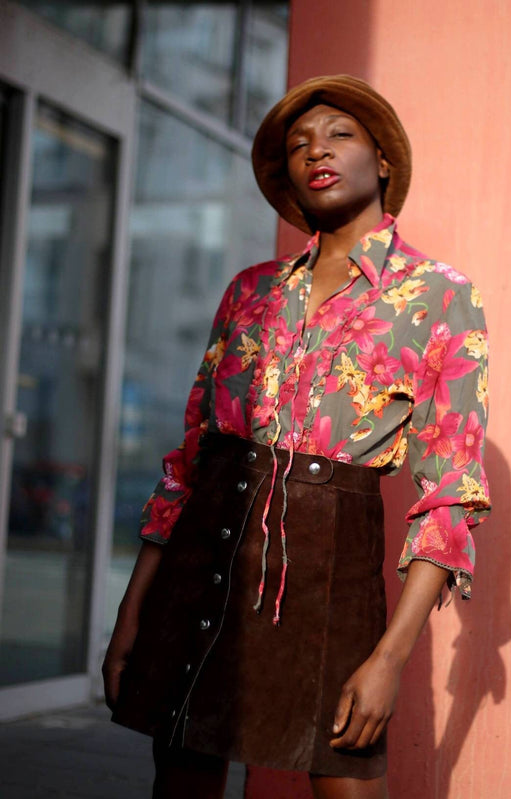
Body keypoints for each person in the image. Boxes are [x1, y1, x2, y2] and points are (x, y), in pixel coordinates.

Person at [103, 76, 490, 799]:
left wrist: (389, 657)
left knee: (344, 778)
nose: (316, 150)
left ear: (381, 160)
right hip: (203, 555)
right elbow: (188, 462)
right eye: (298, 145)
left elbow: (449, 492)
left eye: (338, 133)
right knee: (181, 775)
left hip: (331, 564)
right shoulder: (251, 289)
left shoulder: (437, 294)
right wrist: (132, 613)